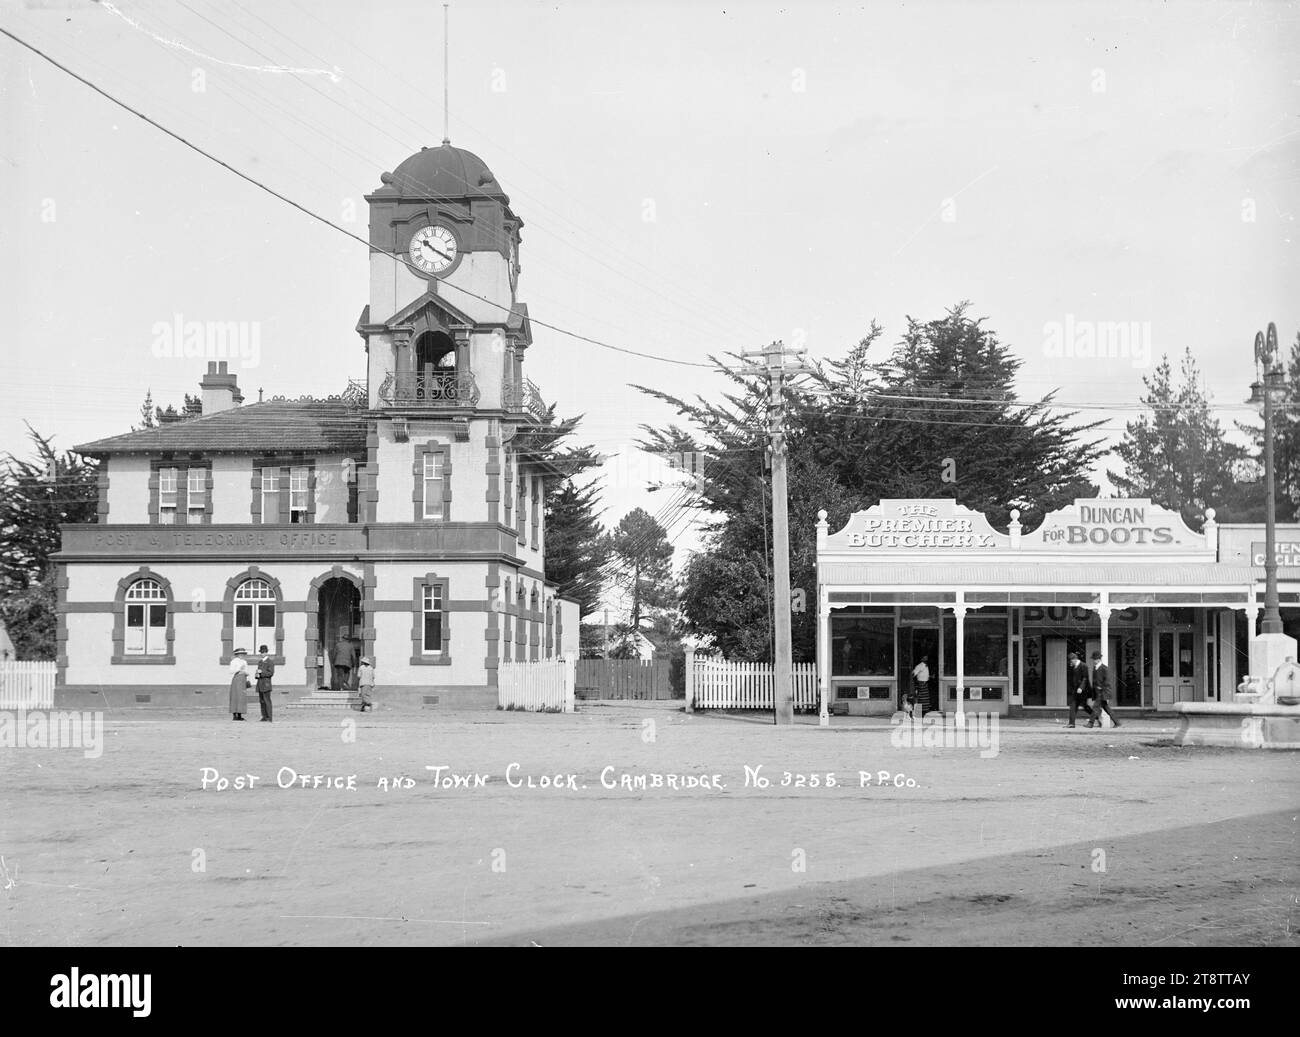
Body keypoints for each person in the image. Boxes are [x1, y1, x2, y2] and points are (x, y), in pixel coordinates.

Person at [1088, 650, 1121, 728]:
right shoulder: (1095, 667)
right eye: (1094, 659)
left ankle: (1090, 723)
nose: (1094, 661)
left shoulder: (1104, 668)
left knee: (1095, 707)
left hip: (1102, 691)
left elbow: (1107, 680)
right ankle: (1117, 722)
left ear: (1099, 659)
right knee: (1106, 707)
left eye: (1095, 659)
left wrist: (1101, 687)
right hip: (1097, 691)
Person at [1066, 651, 1094, 728]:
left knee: (1084, 706)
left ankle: (1095, 716)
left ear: (1075, 659)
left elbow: (1085, 678)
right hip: (1076, 690)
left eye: (1071, 661)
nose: (1070, 663)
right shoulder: (1074, 666)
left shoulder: (1083, 665)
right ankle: (1071, 723)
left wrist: (1081, 687)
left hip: (1083, 690)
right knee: (1073, 705)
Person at [228, 648, 251, 721]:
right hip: (237, 679)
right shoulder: (234, 661)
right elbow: (231, 671)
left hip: (243, 679)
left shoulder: (245, 662)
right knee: (235, 696)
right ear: (237, 654)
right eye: (240, 654)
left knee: (241, 697)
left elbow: (247, 671)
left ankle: (240, 714)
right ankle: (235, 715)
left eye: (243, 654)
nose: (242, 655)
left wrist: (247, 678)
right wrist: (239, 669)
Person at [255, 644, 275, 722]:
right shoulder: (260, 662)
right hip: (260, 683)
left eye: (264, 652)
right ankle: (264, 716)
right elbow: (258, 672)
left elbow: (271, 673)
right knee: (262, 701)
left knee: (267, 700)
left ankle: (269, 717)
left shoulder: (270, 662)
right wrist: (257, 675)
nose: (262, 654)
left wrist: (261, 673)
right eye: (261, 652)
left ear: (266, 652)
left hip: (266, 683)